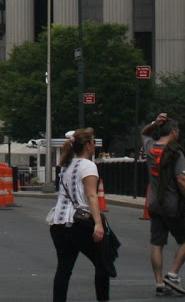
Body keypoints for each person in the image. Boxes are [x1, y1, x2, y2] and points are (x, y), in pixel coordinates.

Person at [49, 128, 110, 302]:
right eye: (93, 142)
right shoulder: (89, 165)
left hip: (58, 222)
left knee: (64, 269)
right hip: (79, 223)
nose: (94, 146)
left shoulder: (65, 165)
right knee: (103, 264)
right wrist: (98, 223)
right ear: (89, 145)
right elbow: (91, 195)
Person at [144, 115, 185, 296]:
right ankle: (173, 274)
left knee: (157, 243)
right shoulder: (175, 151)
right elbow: (182, 179)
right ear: (173, 131)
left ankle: (159, 282)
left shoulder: (150, 147)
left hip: (154, 203)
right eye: (178, 131)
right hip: (173, 204)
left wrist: (153, 124)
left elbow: (144, 133)